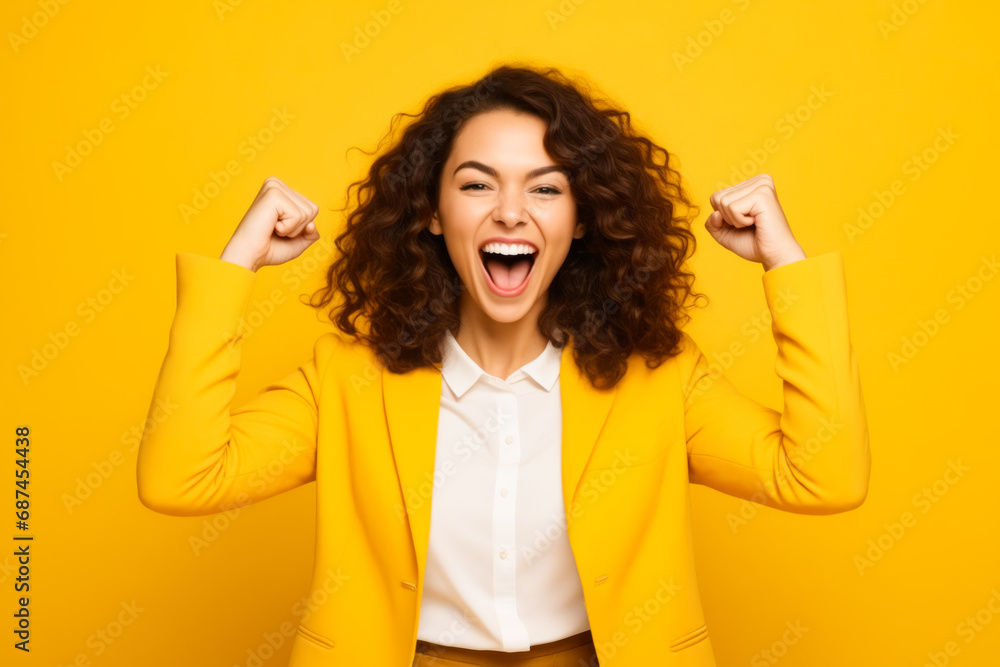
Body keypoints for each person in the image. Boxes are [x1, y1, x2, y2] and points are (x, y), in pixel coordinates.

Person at [136, 64, 871, 666]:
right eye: (477, 183)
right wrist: (236, 266)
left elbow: (824, 476)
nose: (511, 213)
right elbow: (181, 476)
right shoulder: (347, 378)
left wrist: (786, 261)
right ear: (431, 212)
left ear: (581, 221)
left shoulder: (661, 378)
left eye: (546, 187)